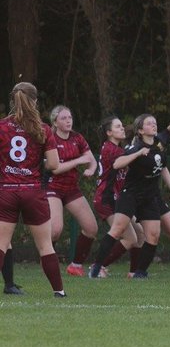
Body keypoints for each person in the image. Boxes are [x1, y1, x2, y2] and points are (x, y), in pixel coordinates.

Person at [87, 114, 170, 279]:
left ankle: (139, 273)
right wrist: (138, 154)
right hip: (121, 195)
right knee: (120, 232)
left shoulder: (156, 142)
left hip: (147, 196)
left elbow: (167, 134)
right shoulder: (130, 147)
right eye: (149, 123)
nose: (153, 124)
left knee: (151, 235)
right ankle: (96, 268)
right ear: (140, 130)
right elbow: (118, 163)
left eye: (155, 122)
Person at [0, 82, 65, 297]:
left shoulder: (2, 127)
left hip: (6, 190)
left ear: (13, 100)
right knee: (46, 246)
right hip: (32, 190)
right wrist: (36, 163)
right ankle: (59, 291)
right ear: (35, 101)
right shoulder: (43, 129)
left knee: (1, 244)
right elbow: (54, 165)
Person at [87, 116, 148, 278]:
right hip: (107, 198)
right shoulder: (110, 149)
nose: (122, 129)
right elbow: (124, 160)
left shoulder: (118, 149)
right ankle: (97, 267)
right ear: (109, 133)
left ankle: (133, 273)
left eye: (122, 126)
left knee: (140, 233)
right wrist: (139, 150)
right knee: (130, 238)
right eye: (118, 126)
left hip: (117, 198)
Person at [45, 105, 100, 277]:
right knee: (55, 230)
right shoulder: (50, 138)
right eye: (63, 118)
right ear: (55, 121)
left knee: (91, 228)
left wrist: (91, 169)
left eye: (70, 117)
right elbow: (54, 168)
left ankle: (75, 266)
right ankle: (47, 262)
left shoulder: (77, 137)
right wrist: (78, 161)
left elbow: (91, 160)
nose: (68, 121)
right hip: (52, 187)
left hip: (71, 188)